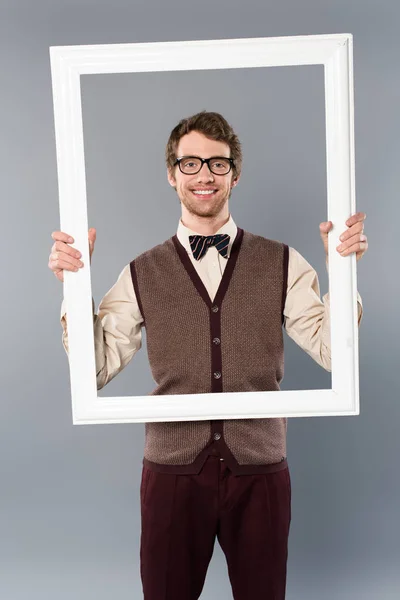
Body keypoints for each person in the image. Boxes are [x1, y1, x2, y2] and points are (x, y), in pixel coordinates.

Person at [48, 111, 368, 600]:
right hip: (172, 471)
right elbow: (92, 370)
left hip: (260, 469)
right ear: (172, 173)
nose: (204, 175)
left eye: (218, 164)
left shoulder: (283, 262)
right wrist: (75, 288)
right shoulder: (141, 271)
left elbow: (333, 353)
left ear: (235, 175)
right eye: (190, 162)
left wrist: (342, 275)